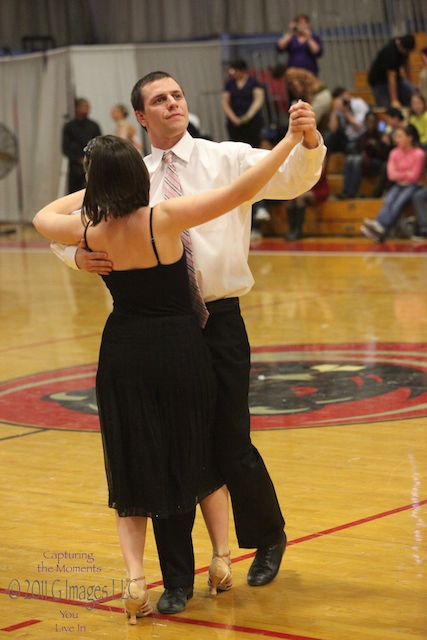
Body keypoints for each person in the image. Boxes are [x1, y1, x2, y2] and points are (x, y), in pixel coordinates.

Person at [51, 70, 326, 615]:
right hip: (160, 328)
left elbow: (293, 177)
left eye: (177, 94)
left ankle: (266, 535)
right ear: (141, 117)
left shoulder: (227, 156)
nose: (173, 103)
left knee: (229, 440)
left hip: (218, 317)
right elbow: (70, 223)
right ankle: (179, 577)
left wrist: (309, 140)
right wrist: (74, 256)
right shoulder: (133, 176)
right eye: (159, 99)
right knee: (170, 451)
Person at [361, 124, 425, 242]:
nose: (396, 139)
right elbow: (391, 175)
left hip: (413, 186)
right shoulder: (394, 152)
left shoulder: (419, 154)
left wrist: (400, 172)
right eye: (396, 136)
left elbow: (414, 177)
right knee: (389, 200)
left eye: (400, 136)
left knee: (398, 203)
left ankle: (381, 227)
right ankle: (379, 227)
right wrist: (407, 173)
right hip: (399, 184)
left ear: (409, 138)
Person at [338, 111, 390, 199]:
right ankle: (345, 190)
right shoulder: (363, 136)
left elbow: (386, 156)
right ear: (365, 122)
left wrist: (376, 146)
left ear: (376, 123)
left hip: (377, 163)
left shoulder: (381, 136)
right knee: (350, 158)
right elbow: (356, 150)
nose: (370, 124)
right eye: (368, 121)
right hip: (364, 162)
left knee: (358, 160)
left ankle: (352, 192)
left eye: (372, 122)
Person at [222, 59, 265, 148]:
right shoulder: (229, 83)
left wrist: (247, 116)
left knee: (253, 144)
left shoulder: (253, 82)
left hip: (251, 120)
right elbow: (225, 101)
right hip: (234, 121)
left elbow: (258, 100)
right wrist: (233, 118)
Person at [62, 98, 102, 193]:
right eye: (84, 107)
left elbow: (100, 144)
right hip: (76, 168)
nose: (86, 109)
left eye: (88, 107)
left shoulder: (93, 126)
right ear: (76, 108)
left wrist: (91, 158)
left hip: (92, 165)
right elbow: (65, 148)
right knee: (75, 193)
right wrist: (78, 159)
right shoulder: (69, 127)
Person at [285, 158, 329, 240]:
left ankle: (298, 230)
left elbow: (320, 174)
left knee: (300, 198)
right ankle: (291, 230)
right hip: (304, 186)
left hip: (318, 188)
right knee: (291, 198)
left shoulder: (321, 155)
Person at [368, 34, 417, 108]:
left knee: (412, 92)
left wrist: (411, 82)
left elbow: (406, 65)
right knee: (389, 107)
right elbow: (391, 77)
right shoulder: (390, 52)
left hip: (396, 79)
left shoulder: (405, 48)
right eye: (406, 51)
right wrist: (394, 100)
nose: (406, 53)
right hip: (379, 82)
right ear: (400, 45)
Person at [370, 106, 405, 198]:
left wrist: (392, 143)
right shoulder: (389, 130)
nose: (387, 122)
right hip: (392, 157)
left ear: (396, 118)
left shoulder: (406, 129)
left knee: (386, 166)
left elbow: (404, 147)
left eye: (388, 119)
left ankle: (376, 195)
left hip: (405, 158)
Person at [323, 86, 370, 155]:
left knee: (351, 147)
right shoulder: (339, 109)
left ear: (347, 94)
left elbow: (358, 127)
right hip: (346, 137)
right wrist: (335, 111)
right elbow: (333, 129)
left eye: (343, 97)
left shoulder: (359, 104)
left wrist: (346, 111)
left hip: (360, 136)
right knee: (329, 137)